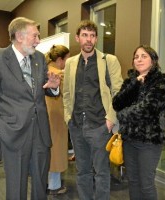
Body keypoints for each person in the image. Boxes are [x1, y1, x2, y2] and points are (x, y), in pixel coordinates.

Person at [0, 17, 60, 200]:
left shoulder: (39, 58)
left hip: (40, 133)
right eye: (35, 35)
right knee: (16, 188)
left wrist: (53, 87)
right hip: (13, 134)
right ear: (20, 36)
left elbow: (42, 92)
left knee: (40, 184)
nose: (39, 40)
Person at [63, 19, 123, 200]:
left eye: (92, 36)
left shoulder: (109, 60)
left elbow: (118, 92)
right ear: (77, 38)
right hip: (76, 125)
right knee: (82, 171)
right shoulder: (70, 63)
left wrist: (110, 119)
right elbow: (66, 92)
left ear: (96, 39)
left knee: (101, 172)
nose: (88, 39)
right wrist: (68, 117)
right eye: (84, 35)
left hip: (99, 126)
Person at [112, 45, 165, 200]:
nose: (139, 60)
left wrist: (123, 115)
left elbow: (149, 107)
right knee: (133, 182)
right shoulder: (130, 81)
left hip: (149, 141)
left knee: (146, 184)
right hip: (129, 139)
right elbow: (117, 103)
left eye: (144, 56)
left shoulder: (162, 80)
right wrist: (135, 85)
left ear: (153, 60)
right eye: (136, 56)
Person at [44, 44, 70, 195]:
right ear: (60, 59)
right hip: (57, 117)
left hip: (45, 117)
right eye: (66, 59)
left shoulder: (43, 70)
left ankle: (47, 182)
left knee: (47, 151)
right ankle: (54, 186)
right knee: (56, 151)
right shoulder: (59, 75)